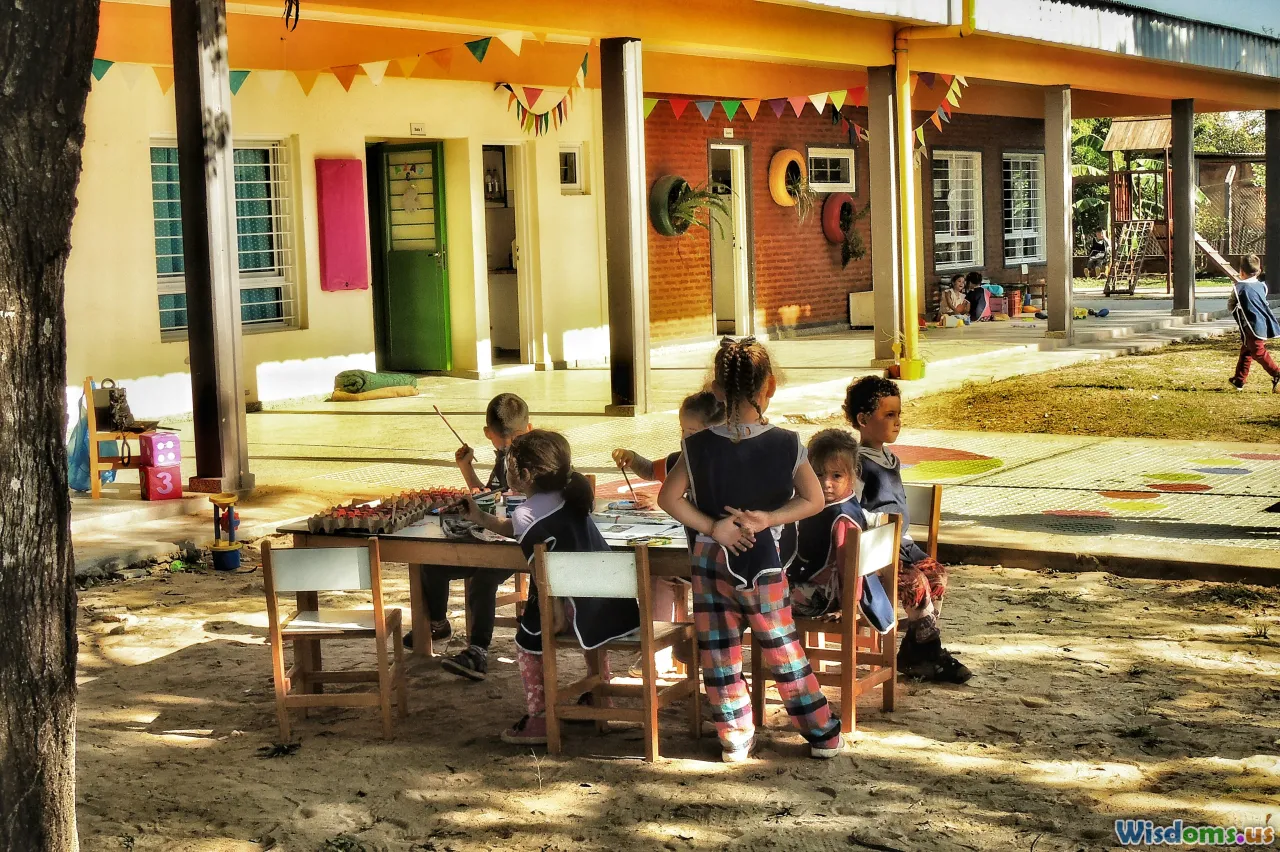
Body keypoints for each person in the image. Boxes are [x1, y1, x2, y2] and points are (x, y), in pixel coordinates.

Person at [658, 337, 842, 762]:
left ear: (717, 391)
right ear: (770, 386)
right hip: (763, 561)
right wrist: (767, 519)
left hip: (709, 558)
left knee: (719, 651)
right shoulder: (786, 443)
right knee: (782, 648)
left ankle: (734, 736)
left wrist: (714, 527)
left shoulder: (696, 445)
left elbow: (670, 499)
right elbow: (812, 501)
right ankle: (822, 735)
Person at [459, 430, 641, 745]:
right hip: (608, 604)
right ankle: (602, 699)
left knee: (526, 644)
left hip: (567, 604)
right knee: (590, 639)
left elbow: (540, 574)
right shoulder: (573, 496)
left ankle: (540, 718)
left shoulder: (526, 513)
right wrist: (480, 517)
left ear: (525, 475)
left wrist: (551, 614)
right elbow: (515, 528)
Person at [844, 376, 972, 684]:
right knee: (915, 584)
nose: (897, 421)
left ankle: (917, 651)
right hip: (876, 552)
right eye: (889, 415)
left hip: (903, 546)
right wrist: (880, 525)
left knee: (937, 574)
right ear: (863, 420)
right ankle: (930, 653)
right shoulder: (857, 463)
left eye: (899, 414)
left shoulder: (892, 459)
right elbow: (851, 509)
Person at [405, 393, 532, 682]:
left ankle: (478, 650)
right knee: (432, 563)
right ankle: (438, 624)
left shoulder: (537, 456)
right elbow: (491, 499)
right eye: (502, 442)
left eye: (512, 440)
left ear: (528, 430)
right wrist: (467, 470)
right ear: (488, 434)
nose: (507, 448)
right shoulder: (504, 457)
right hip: (493, 534)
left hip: (522, 542)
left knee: (485, 575)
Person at [788, 430, 889, 620]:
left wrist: (849, 607)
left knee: (766, 599)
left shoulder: (842, 518)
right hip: (818, 587)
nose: (827, 483)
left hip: (828, 596)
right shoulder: (831, 505)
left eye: (836, 476)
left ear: (852, 476)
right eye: (818, 474)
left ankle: (780, 646)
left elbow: (850, 568)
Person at [1227, 255, 1280, 393]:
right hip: (1262, 324)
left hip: (1252, 327)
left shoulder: (1238, 288)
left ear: (1241, 272)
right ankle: (1239, 380)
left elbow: (1231, 305)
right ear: (1259, 270)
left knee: (1258, 352)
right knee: (1246, 350)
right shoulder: (1262, 286)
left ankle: (1277, 374)